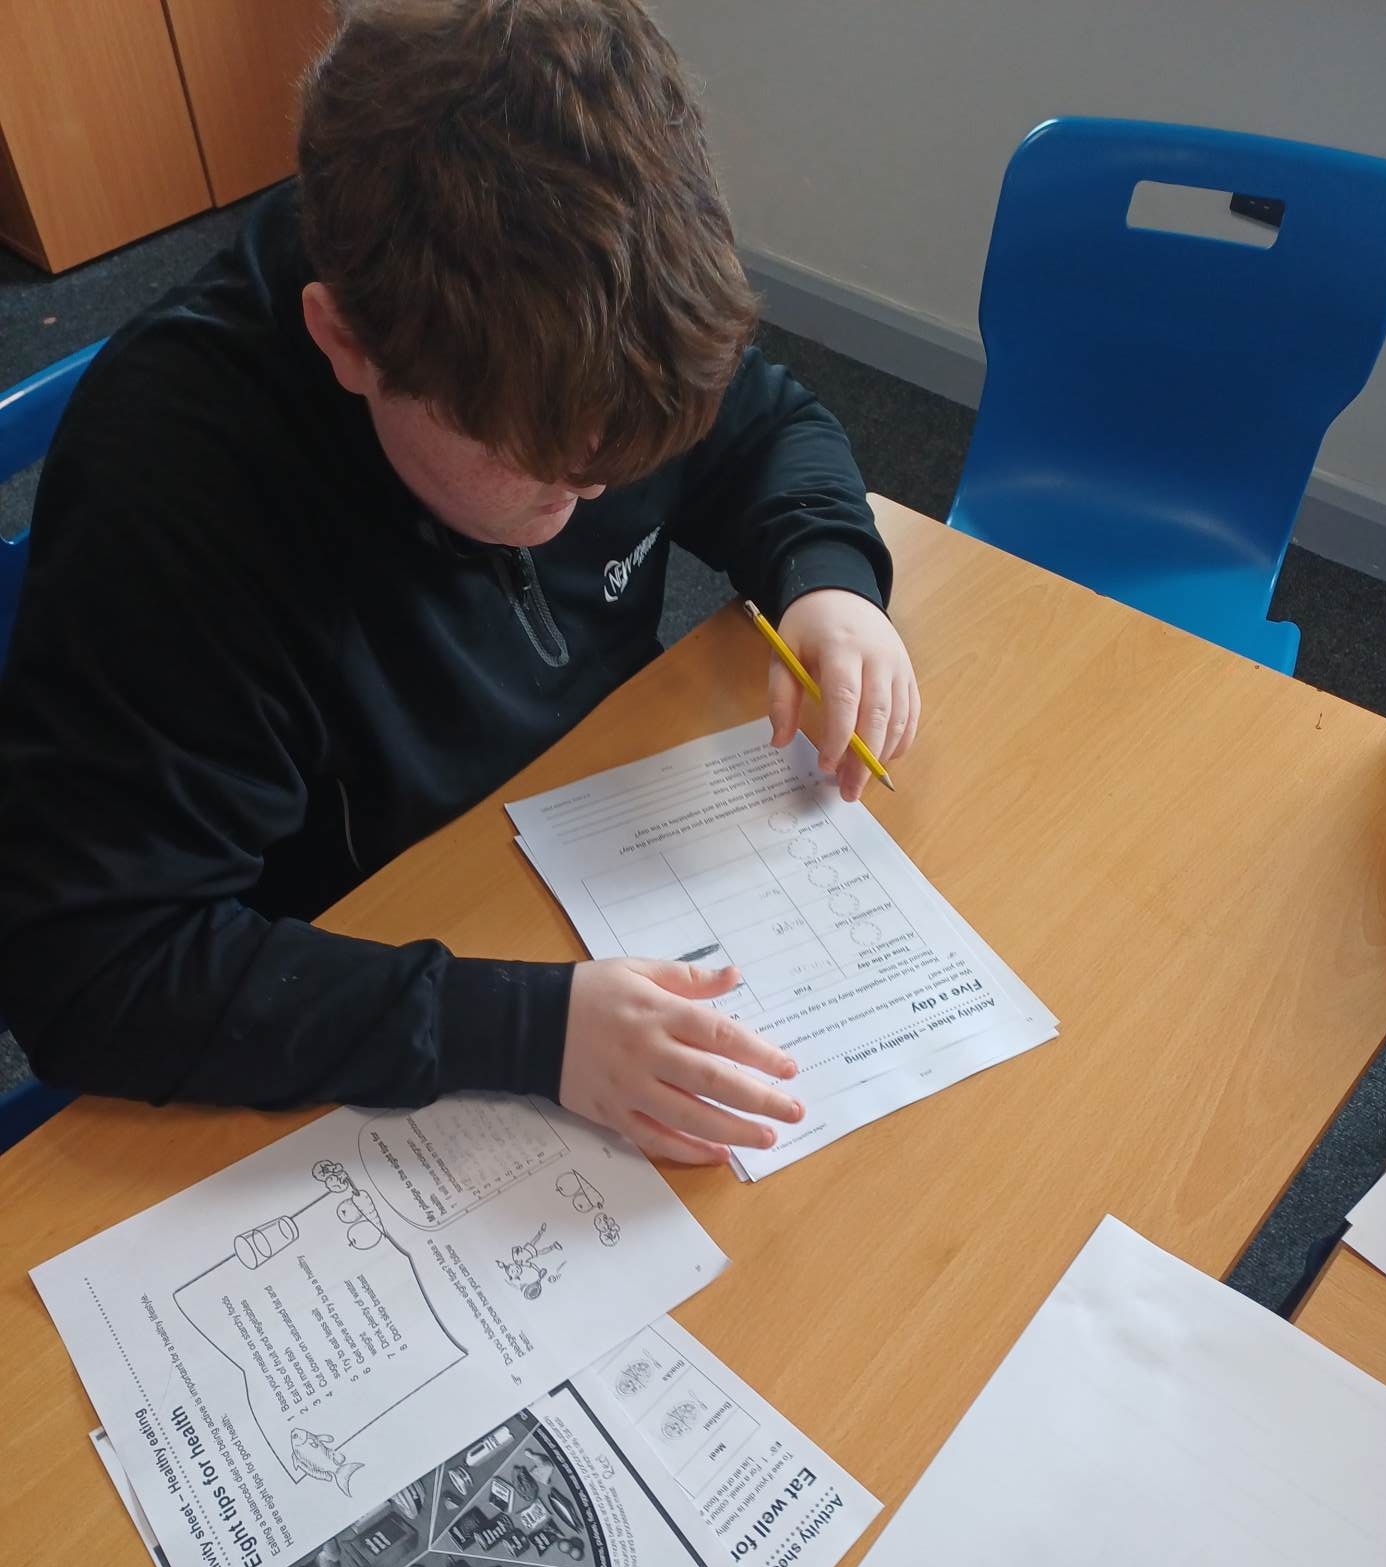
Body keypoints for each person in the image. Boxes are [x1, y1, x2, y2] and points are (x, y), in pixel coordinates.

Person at [0, 0, 919, 1166]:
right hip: (354, 964)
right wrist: (525, 1030)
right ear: (347, 344)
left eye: (622, 459)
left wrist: (826, 580)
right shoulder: (170, 488)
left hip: (583, 848)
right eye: (541, 466)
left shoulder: (600, 323)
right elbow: (94, 970)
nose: (592, 494)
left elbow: (766, 430)